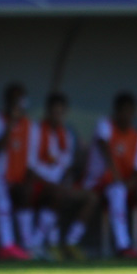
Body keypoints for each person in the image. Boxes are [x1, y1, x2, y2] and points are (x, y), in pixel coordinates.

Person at [27, 92, 97, 261]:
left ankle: (70, 242)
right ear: (47, 111)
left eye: (61, 112)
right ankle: (37, 244)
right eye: (54, 111)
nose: (58, 115)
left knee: (92, 197)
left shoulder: (66, 134)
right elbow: (29, 164)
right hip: (37, 183)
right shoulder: (36, 130)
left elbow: (67, 164)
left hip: (59, 185)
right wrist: (51, 182)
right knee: (57, 194)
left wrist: (65, 180)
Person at [84, 92, 137, 258]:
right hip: (96, 183)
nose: (126, 115)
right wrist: (116, 174)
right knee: (117, 191)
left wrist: (130, 184)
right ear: (116, 111)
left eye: (130, 111)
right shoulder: (104, 125)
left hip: (122, 185)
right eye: (123, 111)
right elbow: (104, 146)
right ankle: (123, 246)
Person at [0, 83, 35, 260]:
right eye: (15, 100)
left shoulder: (29, 124)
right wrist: (11, 123)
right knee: (2, 200)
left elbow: (31, 156)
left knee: (25, 196)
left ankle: (28, 246)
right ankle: (6, 245)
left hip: (17, 179)